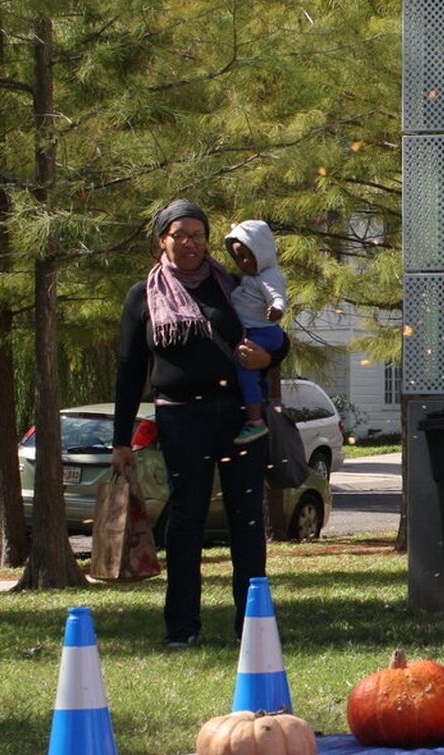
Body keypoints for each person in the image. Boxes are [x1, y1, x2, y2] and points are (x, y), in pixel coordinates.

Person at [111, 198, 288, 649]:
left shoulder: (230, 284)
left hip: (237, 416)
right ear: (162, 240)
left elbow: (275, 335)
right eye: (181, 235)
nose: (191, 244)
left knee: (246, 519)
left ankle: (253, 628)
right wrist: (121, 439)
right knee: (186, 520)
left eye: (198, 235)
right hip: (179, 416)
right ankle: (182, 627)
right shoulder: (142, 295)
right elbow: (130, 370)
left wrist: (271, 357)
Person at [221, 219, 289, 445]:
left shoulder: (268, 276)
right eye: (238, 257)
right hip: (256, 330)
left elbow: (277, 297)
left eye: (248, 255)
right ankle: (260, 401)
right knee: (253, 373)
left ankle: (255, 420)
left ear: (262, 251)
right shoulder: (250, 279)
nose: (243, 262)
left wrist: (276, 310)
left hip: (263, 332)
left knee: (245, 368)